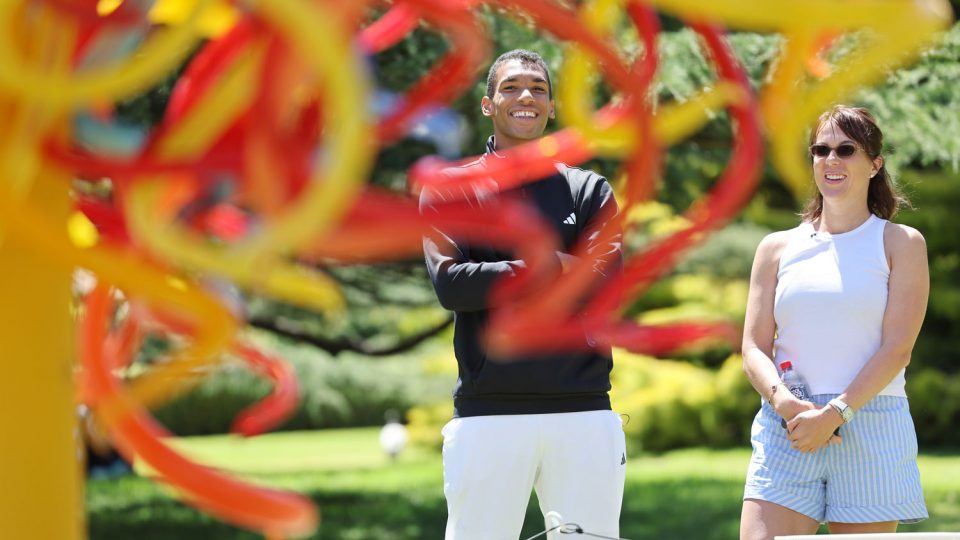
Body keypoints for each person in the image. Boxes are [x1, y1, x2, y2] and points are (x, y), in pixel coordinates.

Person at [421, 49, 625, 540]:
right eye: (511, 87)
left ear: (552, 108)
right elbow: (452, 284)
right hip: (488, 413)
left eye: (537, 87)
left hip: (583, 411)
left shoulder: (589, 190)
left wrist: (501, 275)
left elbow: (605, 283)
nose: (526, 96)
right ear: (489, 104)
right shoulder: (451, 189)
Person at [739, 105, 930, 540]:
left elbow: (898, 348)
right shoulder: (776, 248)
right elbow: (752, 347)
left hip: (872, 420)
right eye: (821, 149)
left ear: (874, 164)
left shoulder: (901, 243)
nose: (831, 159)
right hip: (788, 423)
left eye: (846, 149)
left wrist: (836, 412)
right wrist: (786, 405)